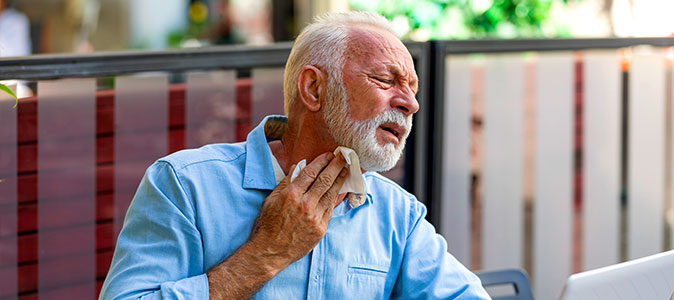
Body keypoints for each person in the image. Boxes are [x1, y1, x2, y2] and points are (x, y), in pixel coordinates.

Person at [100, 11, 490, 300]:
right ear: (314, 89)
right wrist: (265, 255)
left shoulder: (396, 214)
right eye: (385, 80)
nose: (410, 104)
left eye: (412, 88)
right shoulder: (183, 185)